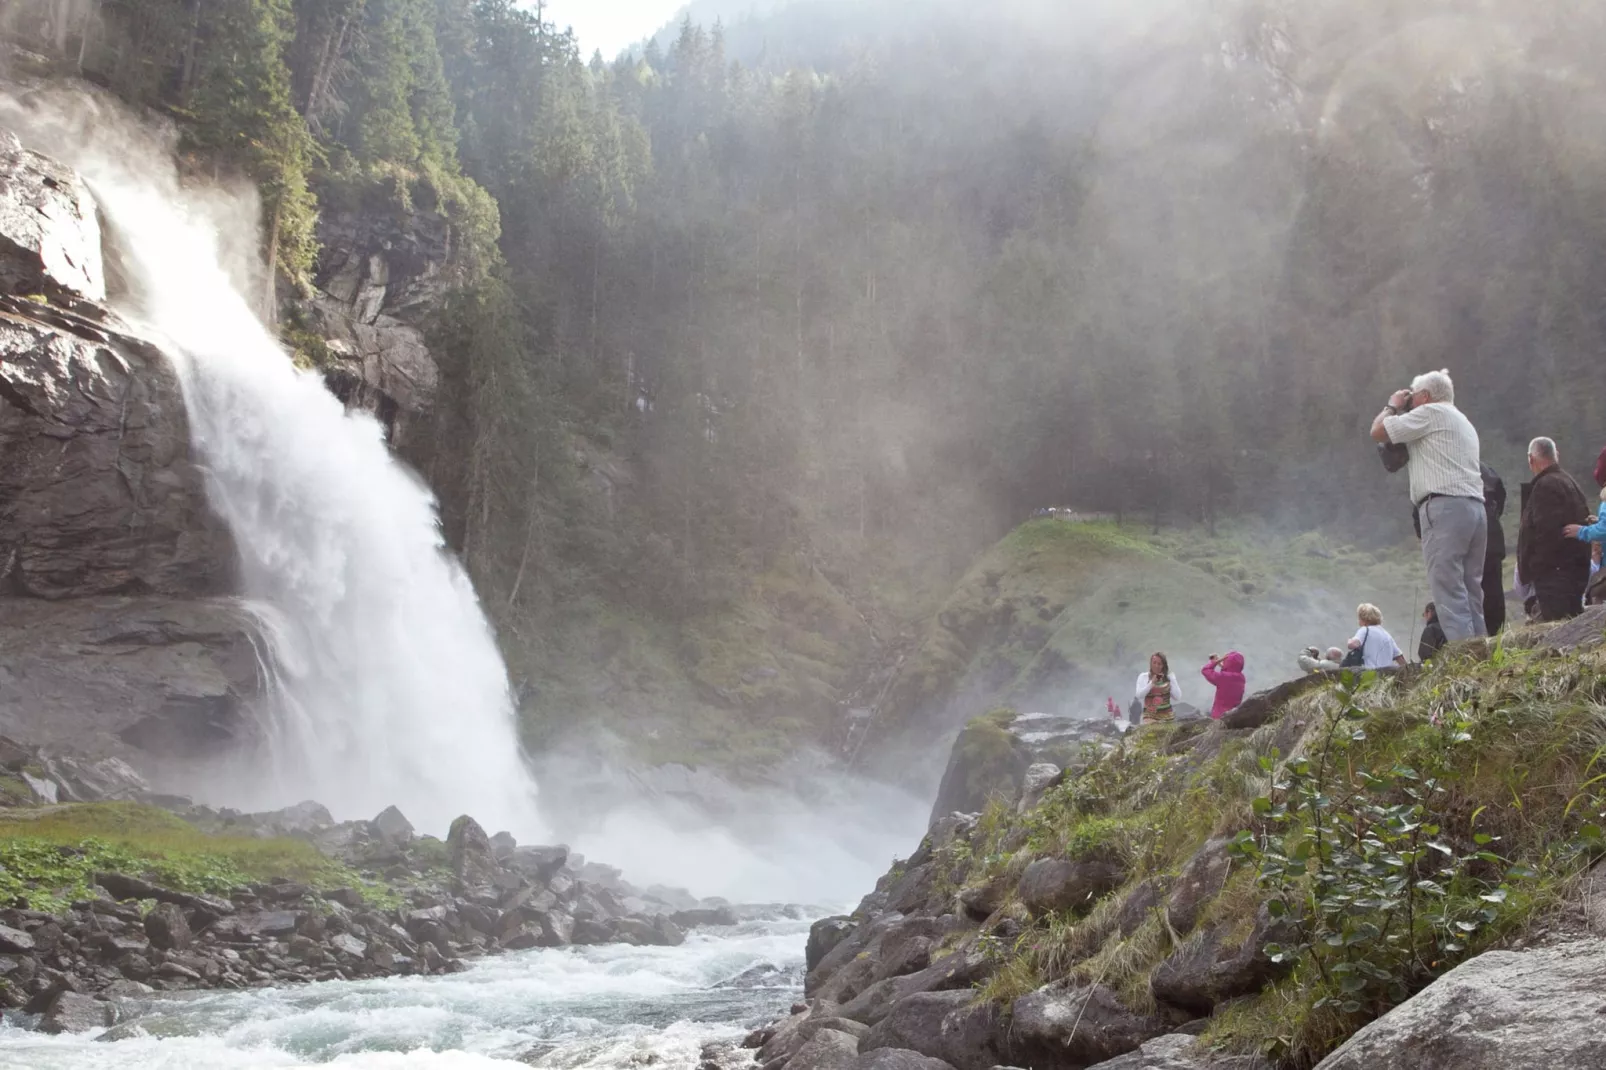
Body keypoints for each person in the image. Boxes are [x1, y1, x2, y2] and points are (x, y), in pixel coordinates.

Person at [1371, 370, 1487, 642]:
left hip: (1444, 507)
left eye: (1414, 398)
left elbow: (1377, 431)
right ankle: (1482, 650)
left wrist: (1393, 404)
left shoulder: (1431, 413)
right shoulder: (1462, 420)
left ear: (1425, 396)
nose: (1411, 406)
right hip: (1475, 508)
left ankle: (1464, 657)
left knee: (1447, 586)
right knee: (1471, 588)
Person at [1518, 437, 1591, 622]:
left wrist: (1536, 567)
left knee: (1557, 627)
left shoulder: (1545, 486)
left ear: (1531, 459)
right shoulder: (1570, 483)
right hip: (1575, 571)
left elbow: (1546, 533)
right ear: (1556, 455)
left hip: (1555, 576)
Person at [1481, 463, 1508, 636]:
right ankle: (1496, 636)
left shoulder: (1444, 465)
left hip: (1465, 537)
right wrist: (1494, 514)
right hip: (1491, 533)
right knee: (1494, 590)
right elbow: (1501, 493)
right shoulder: (1485, 469)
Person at [1348, 603, 1406, 669]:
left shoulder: (1364, 630)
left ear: (1364, 620)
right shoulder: (1386, 634)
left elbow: (1352, 644)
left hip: (1370, 674)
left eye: (1359, 619)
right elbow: (1400, 658)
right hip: (1386, 676)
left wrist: (1350, 640)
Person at [1135, 653, 1180, 725]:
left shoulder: (1169, 677)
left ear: (1163, 666)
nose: (1156, 666)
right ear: (1150, 663)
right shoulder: (1144, 677)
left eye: (1159, 664)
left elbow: (1177, 697)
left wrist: (1172, 679)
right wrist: (1151, 683)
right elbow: (1139, 695)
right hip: (1150, 716)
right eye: (1154, 663)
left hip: (1167, 716)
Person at [1200, 652, 1246, 720]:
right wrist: (1222, 665)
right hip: (1234, 715)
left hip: (1219, 715)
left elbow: (1205, 670)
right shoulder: (1241, 678)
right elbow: (1231, 673)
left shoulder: (1223, 677)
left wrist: (1216, 662)